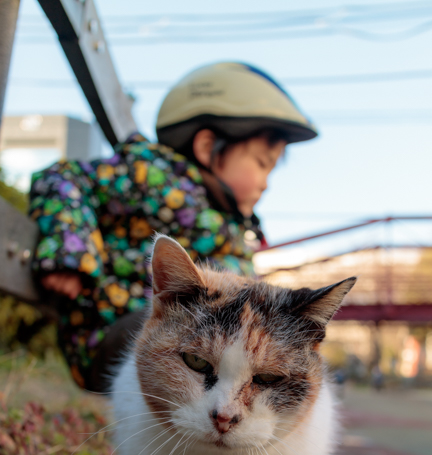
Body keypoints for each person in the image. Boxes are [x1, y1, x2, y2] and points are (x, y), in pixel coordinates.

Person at [29, 62, 318, 392]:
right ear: (207, 147)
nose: (266, 183)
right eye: (262, 164)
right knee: (174, 321)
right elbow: (64, 177)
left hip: (209, 359)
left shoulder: (234, 231)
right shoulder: (150, 177)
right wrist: (71, 252)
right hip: (116, 335)